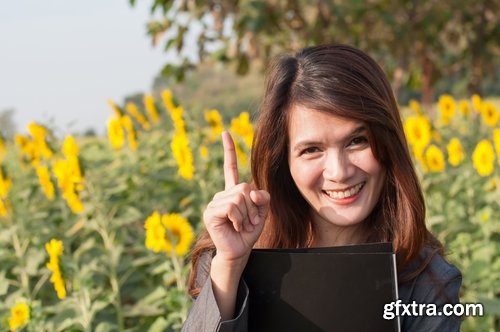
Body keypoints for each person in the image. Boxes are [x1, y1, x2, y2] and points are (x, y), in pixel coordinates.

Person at [181, 44, 462, 332]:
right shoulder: (229, 259)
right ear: (283, 161)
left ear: (387, 144)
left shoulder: (428, 284)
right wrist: (229, 266)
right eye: (312, 149)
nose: (339, 172)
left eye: (357, 141)